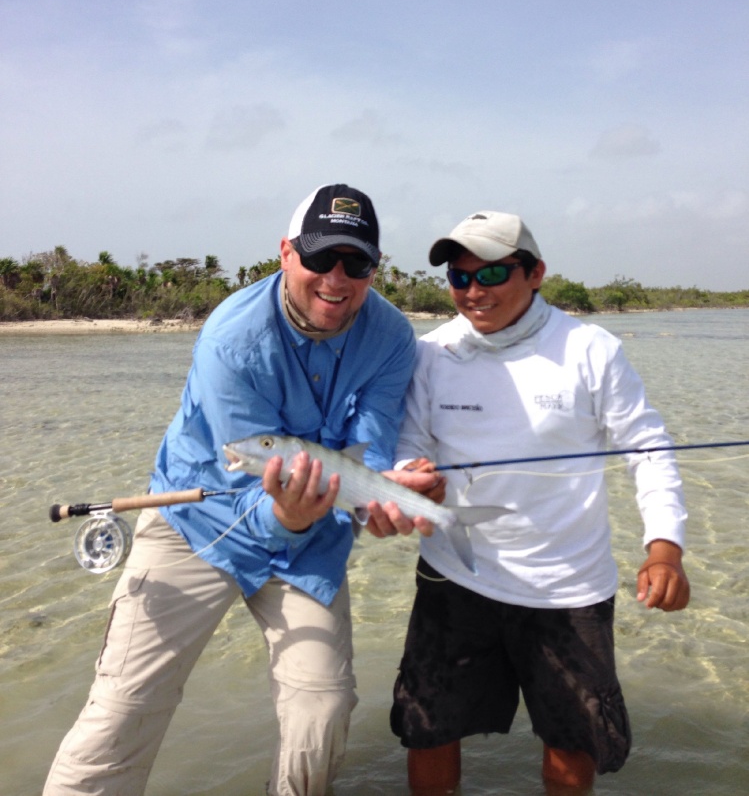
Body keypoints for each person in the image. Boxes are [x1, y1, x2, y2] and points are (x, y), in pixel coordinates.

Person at [44, 183, 441, 796]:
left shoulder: (392, 337)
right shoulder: (231, 339)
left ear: (373, 269)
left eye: (357, 262)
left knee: (324, 713)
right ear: (286, 253)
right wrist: (293, 513)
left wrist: (386, 492)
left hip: (312, 542)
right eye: (319, 258)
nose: (337, 278)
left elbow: (374, 441)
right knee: (121, 712)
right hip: (194, 528)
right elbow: (251, 470)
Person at [389, 210, 690, 794]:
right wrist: (411, 473)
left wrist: (665, 549)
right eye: (459, 278)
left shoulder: (591, 350)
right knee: (426, 727)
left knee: (572, 740)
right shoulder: (432, 352)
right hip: (454, 576)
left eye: (493, 273)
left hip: (566, 588)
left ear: (536, 274)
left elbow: (648, 449)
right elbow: (409, 439)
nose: (474, 292)